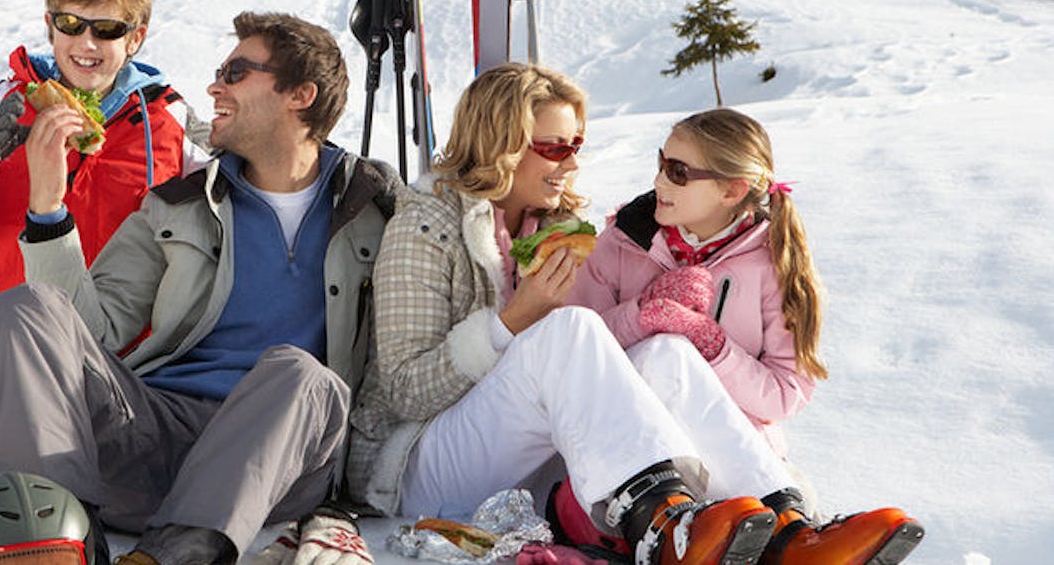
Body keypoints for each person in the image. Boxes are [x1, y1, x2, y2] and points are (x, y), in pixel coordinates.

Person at [345, 63, 924, 565]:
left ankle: (791, 533)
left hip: (537, 468)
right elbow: (403, 392)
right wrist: (511, 322)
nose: (570, 164)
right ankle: (663, 526)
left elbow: (599, 377)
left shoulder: (558, 227)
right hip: (418, 468)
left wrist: (654, 319)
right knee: (572, 329)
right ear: (502, 144)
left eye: (576, 145)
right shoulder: (428, 227)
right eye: (553, 147)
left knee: (666, 352)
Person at [0, 12, 403, 565]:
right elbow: (90, 331)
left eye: (237, 71)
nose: (213, 86)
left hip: (275, 455)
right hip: (154, 433)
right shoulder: (176, 206)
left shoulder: (379, 210)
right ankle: (52, 542)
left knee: (300, 373)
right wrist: (48, 208)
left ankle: (166, 560)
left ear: (301, 94)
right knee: (22, 307)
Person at [554, 106, 921, 562]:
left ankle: (787, 533)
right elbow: (571, 352)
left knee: (675, 350)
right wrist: (643, 315)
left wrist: (712, 346)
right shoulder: (626, 239)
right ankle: (786, 534)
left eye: (679, 172)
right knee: (665, 350)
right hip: (631, 460)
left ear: (733, 190)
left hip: (734, 461)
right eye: (661, 163)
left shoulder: (772, 263)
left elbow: (784, 394)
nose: (659, 183)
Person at [0, 0, 207, 475]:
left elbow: (237, 194)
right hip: (18, 351)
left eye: (107, 29)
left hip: (133, 359)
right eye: (70, 24)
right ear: (50, 27)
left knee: (133, 488)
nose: (86, 44)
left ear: (135, 39)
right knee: (7, 480)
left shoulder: (169, 119)